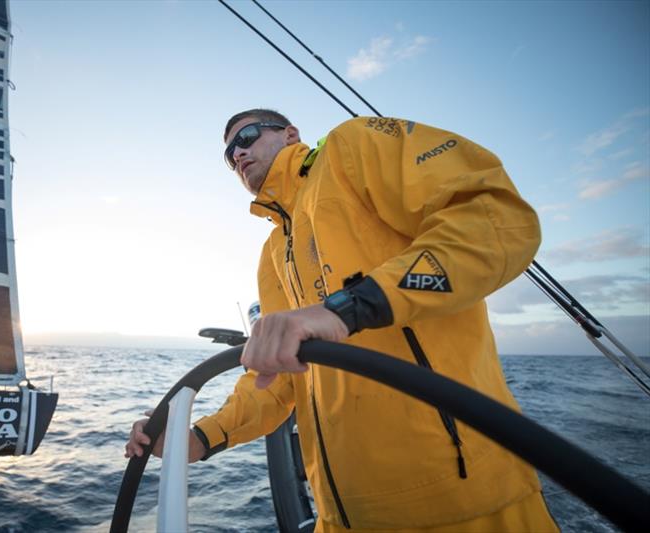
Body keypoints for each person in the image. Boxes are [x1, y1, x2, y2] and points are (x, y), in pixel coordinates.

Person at [126, 109, 559, 532]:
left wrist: (347, 309)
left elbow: (495, 217)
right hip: (341, 515)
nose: (237, 154)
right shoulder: (273, 251)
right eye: (228, 155)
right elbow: (275, 380)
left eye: (247, 136)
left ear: (290, 134)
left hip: (466, 503)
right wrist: (197, 439)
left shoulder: (352, 147)